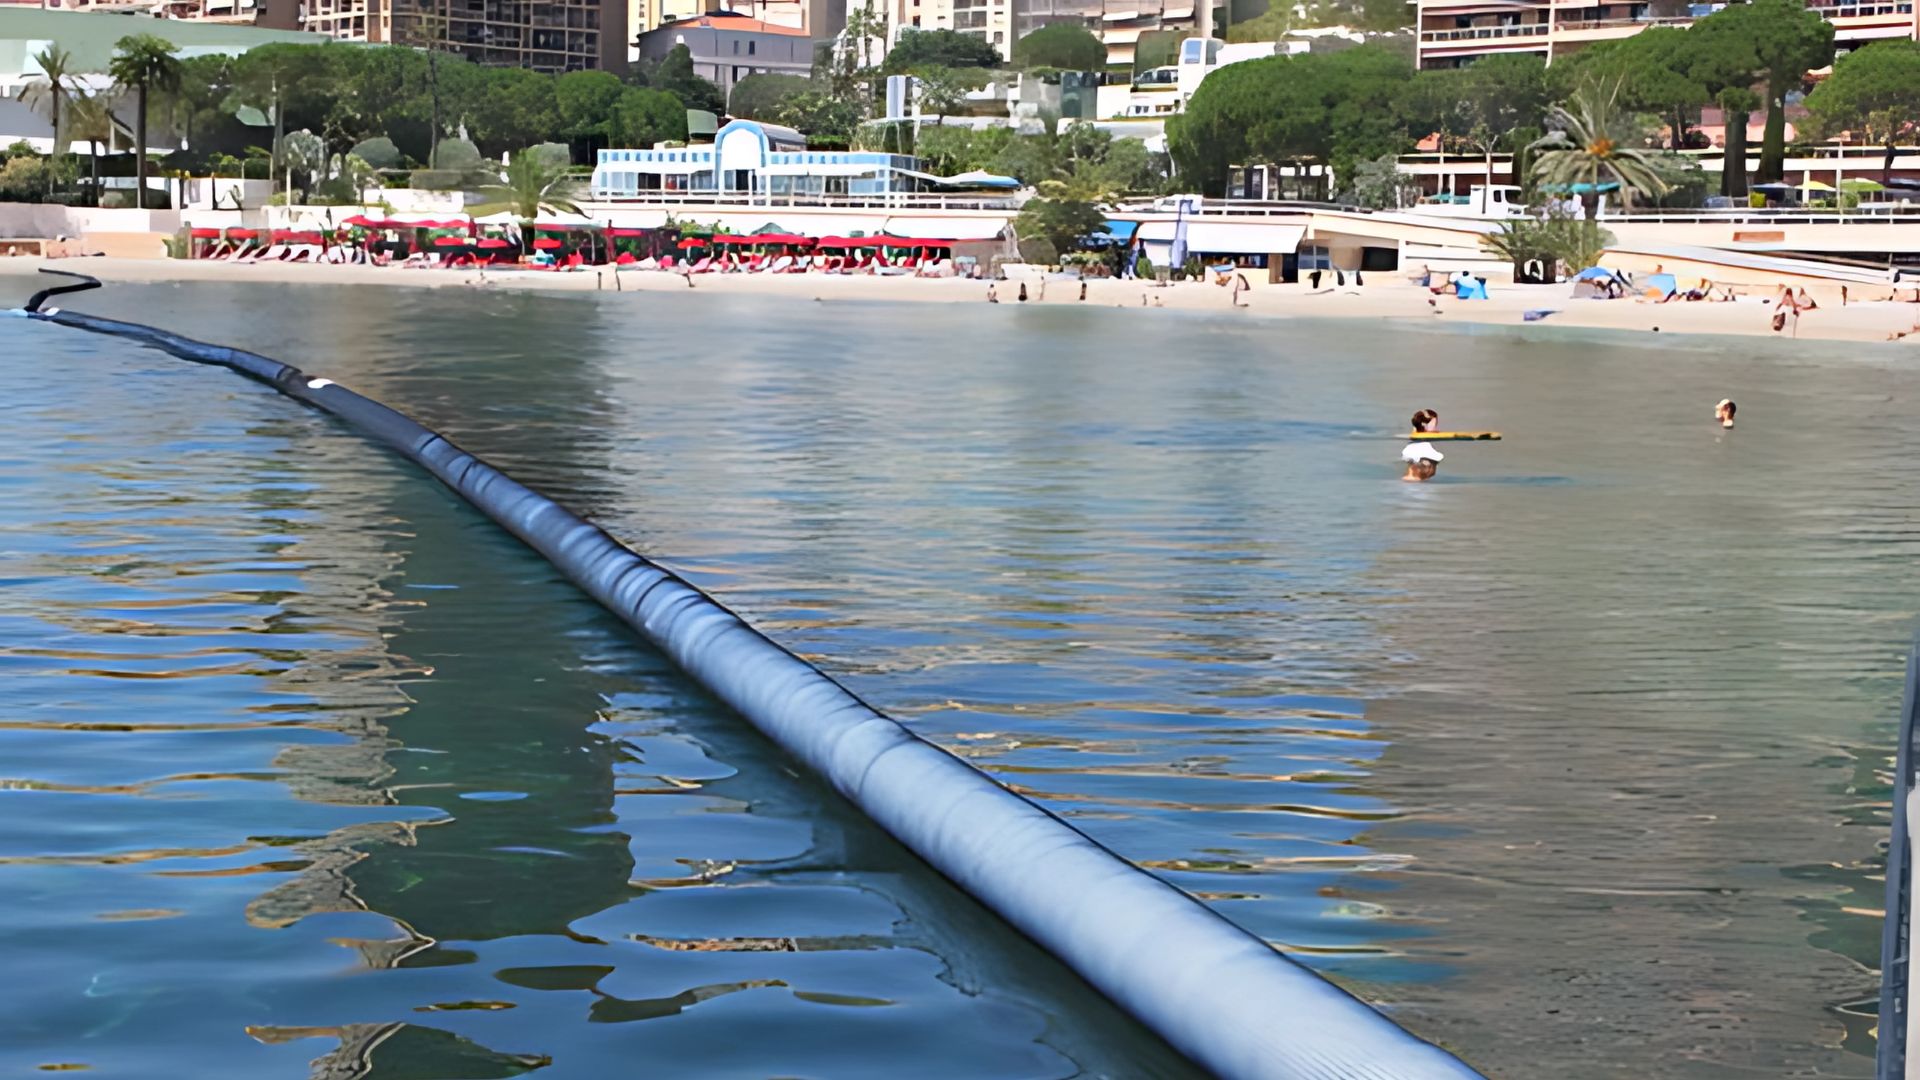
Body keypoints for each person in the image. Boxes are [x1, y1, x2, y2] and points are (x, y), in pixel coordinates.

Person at [1403, 409, 1443, 481]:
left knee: (1426, 472)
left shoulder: (1417, 431)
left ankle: (1413, 474)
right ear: (1424, 425)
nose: (1436, 426)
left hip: (1413, 451)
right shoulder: (1422, 433)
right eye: (1435, 424)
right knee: (1426, 471)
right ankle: (1414, 474)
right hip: (1421, 452)